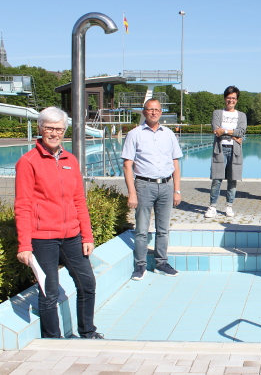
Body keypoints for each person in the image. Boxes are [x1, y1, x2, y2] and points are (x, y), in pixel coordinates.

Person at [14, 107, 103, 339]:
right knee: (49, 292)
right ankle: (53, 339)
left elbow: (79, 201)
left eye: (59, 129)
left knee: (87, 284)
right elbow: (22, 205)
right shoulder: (28, 161)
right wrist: (24, 244)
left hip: (72, 235)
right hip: (43, 238)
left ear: (64, 131)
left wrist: (88, 236)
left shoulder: (70, 160)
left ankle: (88, 331)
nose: (54, 133)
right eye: (49, 128)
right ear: (40, 128)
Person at [122, 99, 183, 281]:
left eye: (157, 109)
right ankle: (140, 266)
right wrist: (132, 192)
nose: (153, 112)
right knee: (141, 229)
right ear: (144, 112)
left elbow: (176, 164)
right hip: (144, 185)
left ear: (161, 112)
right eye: (150, 110)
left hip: (166, 185)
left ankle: (161, 263)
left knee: (163, 229)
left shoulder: (169, 134)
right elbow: (127, 165)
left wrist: (177, 190)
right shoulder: (134, 134)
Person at [205, 86, 247, 218]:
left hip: (234, 151)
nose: (231, 100)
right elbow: (216, 130)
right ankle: (212, 206)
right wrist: (233, 135)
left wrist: (225, 131)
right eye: (229, 97)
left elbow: (242, 131)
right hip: (220, 149)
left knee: (232, 180)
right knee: (216, 179)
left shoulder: (241, 115)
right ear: (225, 98)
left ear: (237, 100)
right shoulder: (217, 113)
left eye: (233, 98)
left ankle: (229, 205)